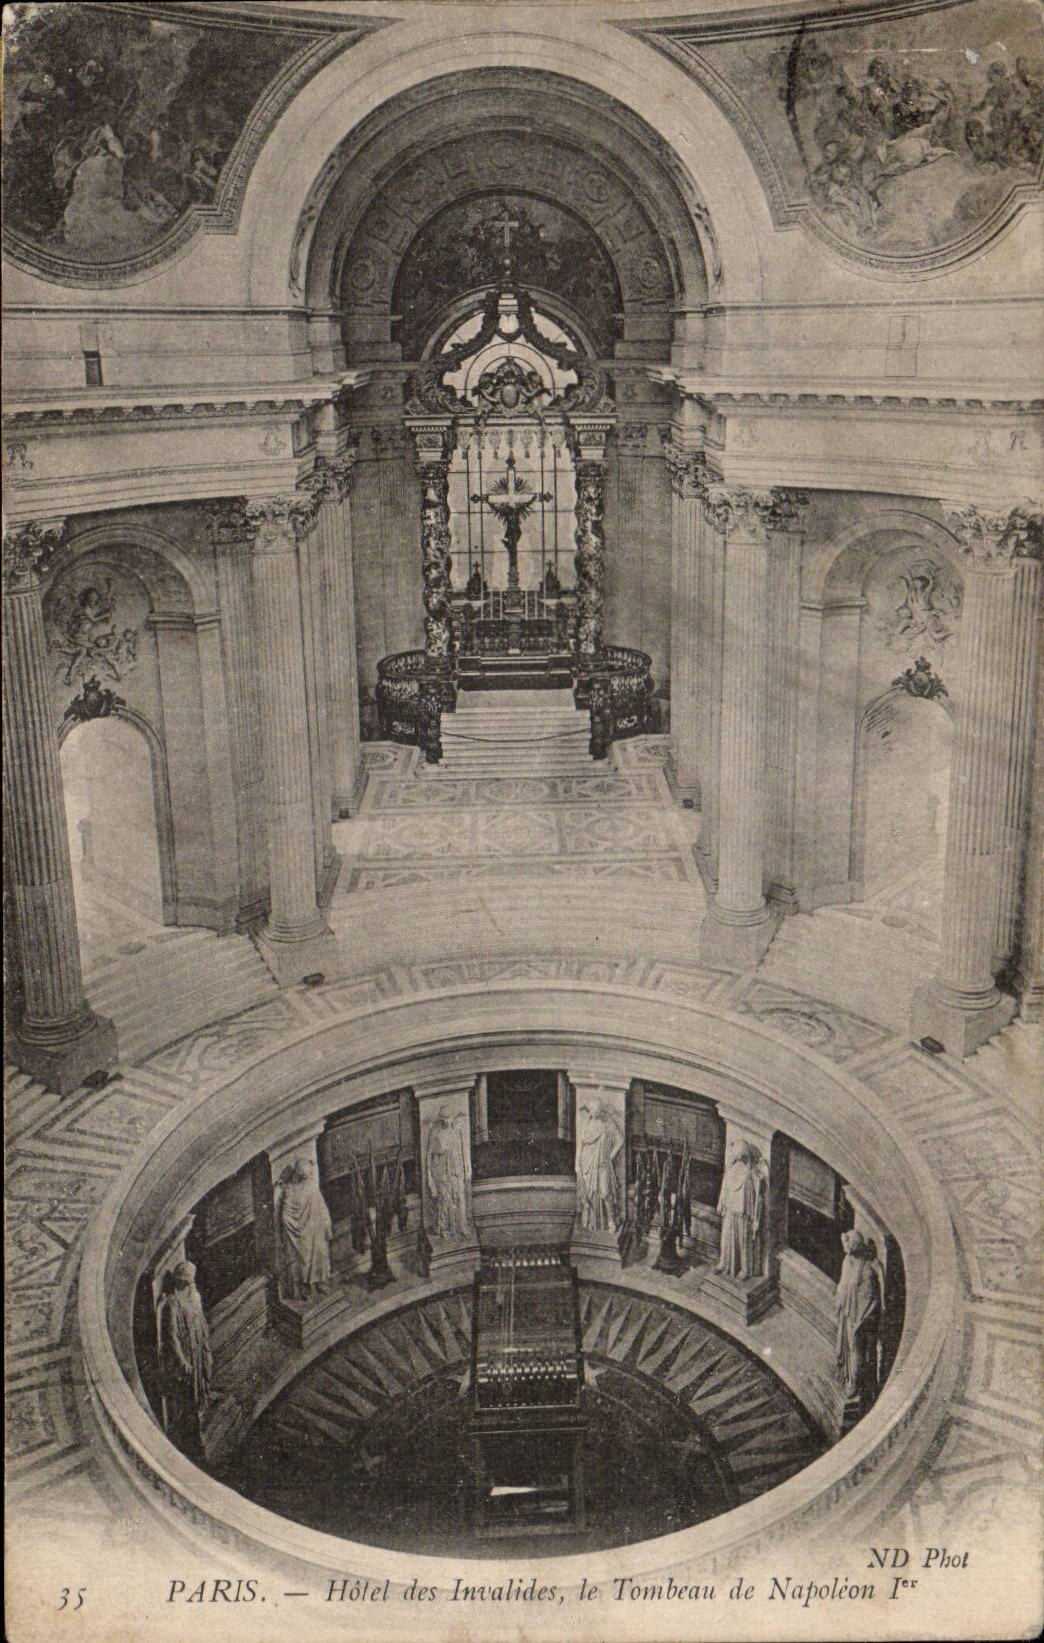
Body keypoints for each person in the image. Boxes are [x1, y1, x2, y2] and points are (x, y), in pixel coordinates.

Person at [157, 1261, 212, 1458]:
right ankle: (190, 1438)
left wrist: (205, 1350)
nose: (191, 1284)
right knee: (186, 1399)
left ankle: (199, 1429)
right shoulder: (172, 1304)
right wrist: (182, 1362)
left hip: (197, 1352)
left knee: (199, 1392)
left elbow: (202, 1324)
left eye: (191, 1281)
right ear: (181, 1281)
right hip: (187, 1356)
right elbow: (172, 1338)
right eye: (188, 1281)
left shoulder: (194, 1297)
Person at [835, 1229, 885, 1409]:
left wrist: (862, 1321)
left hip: (861, 1317)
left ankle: (854, 1384)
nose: (847, 1251)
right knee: (850, 1348)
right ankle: (849, 1378)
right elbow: (842, 1286)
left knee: (857, 1349)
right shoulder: (847, 1261)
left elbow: (875, 1299)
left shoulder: (869, 1269)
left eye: (848, 1246)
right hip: (847, 1313)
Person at [275, 1157, 333, 1300]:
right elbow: (286, 1214)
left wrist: (327, 1225)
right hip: (301, 1234)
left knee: (319, 1255)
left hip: (314, 1229)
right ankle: (305, 1289)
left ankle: (319, 1284)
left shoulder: (311, 1187)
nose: (307, 1178)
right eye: (304, 1176)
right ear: (298, 1174)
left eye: (308, 1176)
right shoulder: (290, 1190)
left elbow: (322, 1207)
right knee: (303, 1261)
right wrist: (293, 1229)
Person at [715, 1141, 765, 1280]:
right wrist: (721, 1202)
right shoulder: (731, 1169)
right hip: (730, 1210)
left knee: (744, 1242)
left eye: (741, 1155)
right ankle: (724, 1262)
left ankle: (745, 1269)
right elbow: (725, 1186)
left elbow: (758, 1198)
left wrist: (756, 1218)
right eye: (736, 1155)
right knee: (726, 1238)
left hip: (744, 1214)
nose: (737, 1158)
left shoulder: (752, 1173)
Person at [576, 1102, 623, 1233]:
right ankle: (590, 1221)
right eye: (593, 1110)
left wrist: (611, 1155)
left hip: (603, 1162)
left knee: (606, 1192)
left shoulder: (608, 1122)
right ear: (590, 1111)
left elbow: (621, 1139)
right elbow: (580, 1145)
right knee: (589, 1193)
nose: (596, 1112)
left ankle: (611, 1220)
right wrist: (577, 1164)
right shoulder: (586, 1124)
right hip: (587, 1162)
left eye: (598, 1109)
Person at [425, 1108, 471, 1238]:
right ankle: (444, 1228)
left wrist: (467, 1169)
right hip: (442, 1172)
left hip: (456, 1170)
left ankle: (462, 1227)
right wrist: (430, 1178)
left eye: (448, 1119)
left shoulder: (457, 1131)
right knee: (444, 1200)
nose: (446, 1122)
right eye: (443, 1120)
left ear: (451, 1119)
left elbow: (464, 1150)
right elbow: (429, 1156)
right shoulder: (435, 1133)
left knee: (459, 1198)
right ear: (440, 1120)